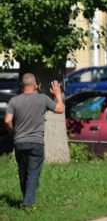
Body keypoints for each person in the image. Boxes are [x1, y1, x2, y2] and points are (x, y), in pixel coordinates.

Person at [3, 73, 64, 208]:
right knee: (33, 173)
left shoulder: (14, 101)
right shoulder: (42, 99)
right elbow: (60, 109)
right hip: (36, 143)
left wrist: (13, 131)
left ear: (22, 85)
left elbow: (7, 120)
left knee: (23, 172)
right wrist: (58, 94)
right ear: (35, 84)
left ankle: (26, 198)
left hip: (19, 142)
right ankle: (28, 204)